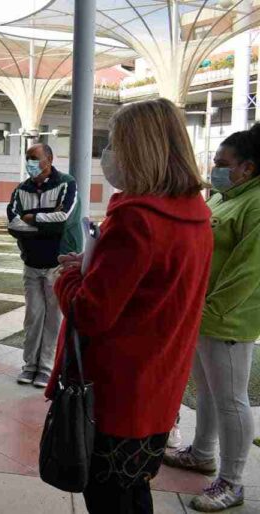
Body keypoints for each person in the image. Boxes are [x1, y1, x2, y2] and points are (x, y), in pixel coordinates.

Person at [48, 98, 213, 513]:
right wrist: (92, 265)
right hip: (158, 386)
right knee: (134, 491)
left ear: (140, 149)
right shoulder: (194, 213)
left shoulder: (136, 218)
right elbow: (150, 287)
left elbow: (89, 312)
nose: (108, 155)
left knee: (110, 499)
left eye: (115, 143)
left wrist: (66, 278)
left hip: (115, 393)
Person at [164, 124, 260, 512]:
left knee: (231, 400)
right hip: (202, 312)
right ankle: (202, 453)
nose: (214, 169)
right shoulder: (225, 196)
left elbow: (248, 269)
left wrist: (212, 309)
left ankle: (232, 482)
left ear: (247, 168)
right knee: (206, 390)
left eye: (222, 163)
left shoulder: (256, 203)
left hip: (228, 318)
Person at [6, 142, 82, 388]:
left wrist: (31, 218)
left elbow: (63, 219)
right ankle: (29, 366)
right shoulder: (21, 190)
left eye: (34, 158)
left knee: (53, 318)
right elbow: (13, 223)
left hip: (56, 264)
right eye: (27, 157)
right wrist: (44, 224)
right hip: (31, 263)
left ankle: (46, 369)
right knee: (33, 316)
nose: (29, 162)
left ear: (49, 159)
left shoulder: (67, 184)